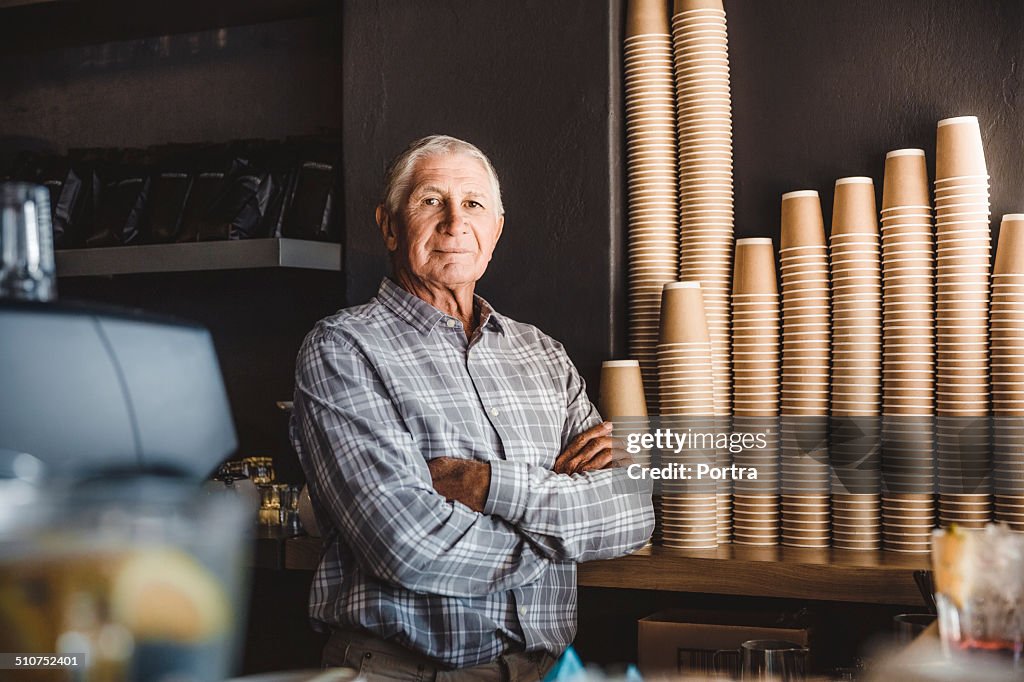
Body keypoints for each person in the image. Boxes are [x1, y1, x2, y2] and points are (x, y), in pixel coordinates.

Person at [290, 134, 653, 680]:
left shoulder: (543, 355)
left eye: (474, 204)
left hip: (545, 671)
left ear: (495, 232)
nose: (455, 222)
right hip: (403, 672)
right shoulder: (343, 349)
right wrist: (563, 536)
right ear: (389, 225)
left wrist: (487, 486)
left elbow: (632, 510)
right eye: (431, 200)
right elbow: (407, 545)